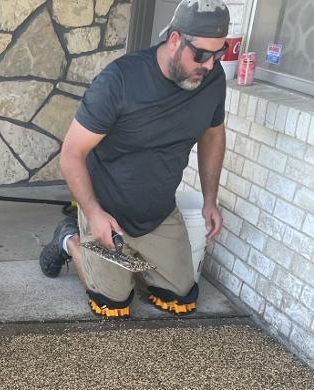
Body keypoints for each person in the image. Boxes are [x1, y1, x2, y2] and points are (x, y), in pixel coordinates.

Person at [39, 0, 230, 318]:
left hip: (159, 213)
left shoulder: (212, 79)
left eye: (220, 53)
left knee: (181, 297)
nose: (210, 65)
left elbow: (213, 135)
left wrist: (210, 199)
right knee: (113, 304)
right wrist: (94, 213)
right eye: (201, 55)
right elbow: (71, 153)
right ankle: (70, 239)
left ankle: (125, 262)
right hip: (107, 212)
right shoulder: (118, 81)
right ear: (175, 40)